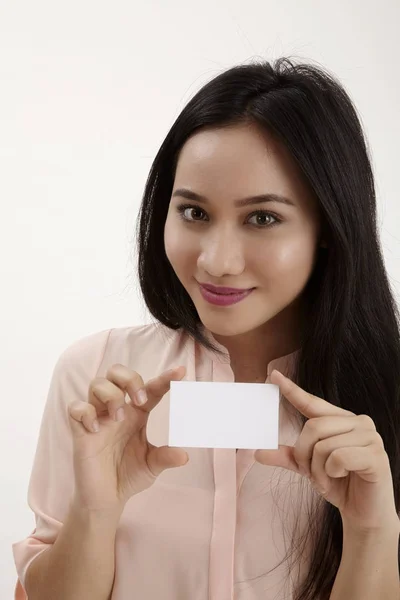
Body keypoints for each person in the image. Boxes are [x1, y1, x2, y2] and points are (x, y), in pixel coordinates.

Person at [12, 57, 400, 600]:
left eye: (262, 218)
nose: (217, 262)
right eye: (194, 212)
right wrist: (95, 512)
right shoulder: (97, 377)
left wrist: (372, 531)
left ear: (329, 227)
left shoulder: (387, 395)